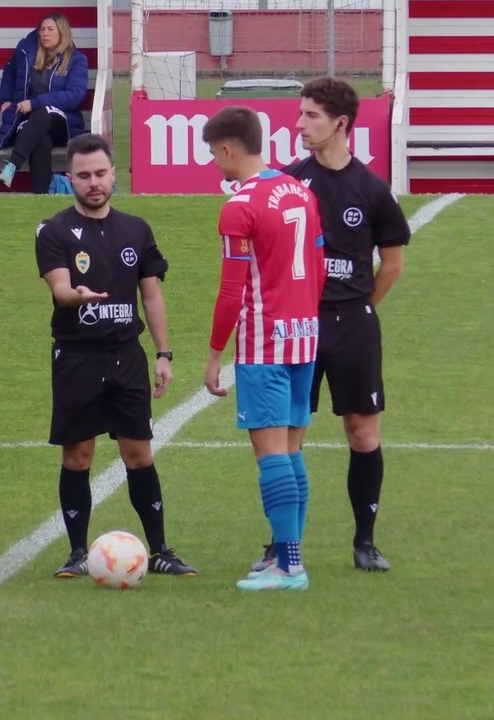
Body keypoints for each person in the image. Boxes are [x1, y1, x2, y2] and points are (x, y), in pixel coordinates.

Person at [252, 77, 409, 574]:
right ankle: (282, 545)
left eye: (311, 116)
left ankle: (365, 542)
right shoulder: (290, 183)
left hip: (353, 327)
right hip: (300, 325)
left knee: (362, 435)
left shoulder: (371, 189)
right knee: (289, 436)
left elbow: (392, 265)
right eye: (300, 114)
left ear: (340, 123)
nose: (299, 124)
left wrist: (359, 306)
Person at [34, 132, 197, 579]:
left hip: (127, 356)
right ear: (69, 178)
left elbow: (152, 296)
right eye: (83, 175)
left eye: (100, 173)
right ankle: (75, 552)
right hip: (77, 356)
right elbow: (60, 288)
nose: (93, 183)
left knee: (139, 454)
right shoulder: (54, 231)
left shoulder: (136, 230)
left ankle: (160, 549)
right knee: (78, 456)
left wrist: (163, 353)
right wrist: (75, 296)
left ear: (113, 175)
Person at [201, 106, 325, 592]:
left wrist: (215, 353)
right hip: (304, 335)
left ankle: (289, 565)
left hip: (263, 342)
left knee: (271, 456)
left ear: (229, 149)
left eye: (215, 154)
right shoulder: (300, 190)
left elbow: (232, 291)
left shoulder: (239, 206)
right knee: (292, 452)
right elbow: (316, 262)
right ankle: (282, 551)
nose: (215, 163)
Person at [0, 12, 87, 193]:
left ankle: (13, 165)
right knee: (41, 140)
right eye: (42, 29)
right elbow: (9, 71)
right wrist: (5, 100)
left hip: (62, 123)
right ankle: (41, 195)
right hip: (29, 122)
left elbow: (75, 95)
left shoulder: (76, 59)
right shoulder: (27, 53)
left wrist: (36, 102)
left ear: (62, 32)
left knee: (45, 111)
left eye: (50, 29)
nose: (45, 33)